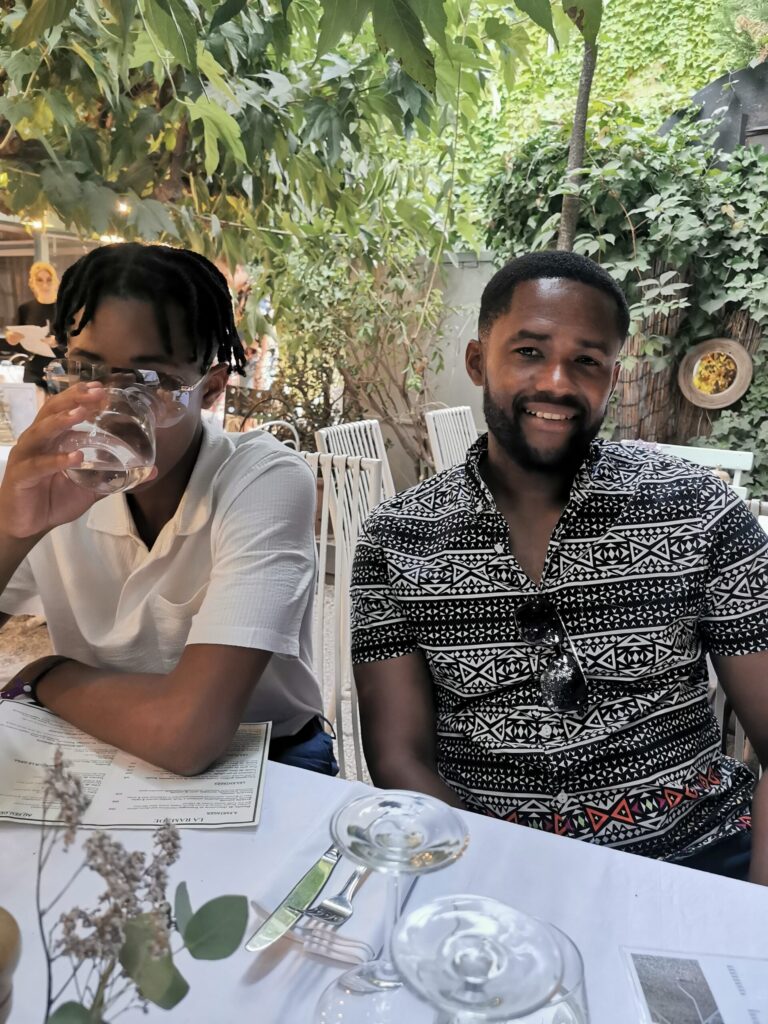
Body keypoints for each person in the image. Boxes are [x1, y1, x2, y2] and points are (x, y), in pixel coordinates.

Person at [351, 250, 768, 883]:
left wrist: (749, 922)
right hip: (487, 866)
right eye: (528, 351)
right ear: (476, 361)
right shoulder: (398, 539)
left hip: (695, 858)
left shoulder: (698, 509)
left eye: (586, 360)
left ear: (612, 376)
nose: (556, 382)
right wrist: (494, 880)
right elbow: (399, 757)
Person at [0, 242, 334, 776]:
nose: (109, 404)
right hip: (101, 741)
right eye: (86, 369)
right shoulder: (45, 477)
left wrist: (46, 674)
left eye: (147, 381)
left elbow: (187, 733)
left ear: (213, 388)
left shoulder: (260, 479)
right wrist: (12, 531)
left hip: (268, 755)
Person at [10, 262, 65, 390]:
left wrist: (58, 340)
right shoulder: (25, 309)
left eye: (49, 280)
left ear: (55, 282)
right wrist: (12, 338)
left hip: (61, 368)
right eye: (39, 280)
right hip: (33, 369)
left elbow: (77, 337)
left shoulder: (65, 309)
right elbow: (13, 338)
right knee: (33, 407)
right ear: (32, 283)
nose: (45, 284)